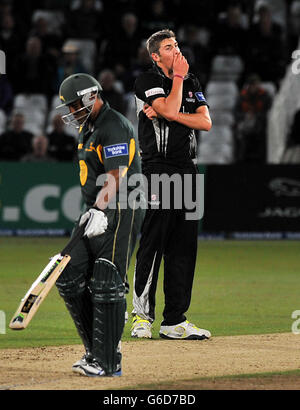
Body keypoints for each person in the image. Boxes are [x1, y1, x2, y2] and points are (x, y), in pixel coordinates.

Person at [55, 73, 144, 377]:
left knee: (107, 279)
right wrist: (90, 211)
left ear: (91, 96)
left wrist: (97, 208)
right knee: (68, 275)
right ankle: (96, 352)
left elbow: (117, 175)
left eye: (74, 105)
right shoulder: (88, 128)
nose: (71, 112)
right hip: (96, 210)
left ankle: (108, 361)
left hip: (121, 207)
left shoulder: (114, 125)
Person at [131, 29, 212, 340]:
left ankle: (174, 321)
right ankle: (141, 318)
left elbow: (206, 122)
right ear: (155, 56)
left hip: (188, 171)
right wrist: (177, 81)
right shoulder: (147, 80)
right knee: (153, 243)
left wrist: (171, 113)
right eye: (168, 47)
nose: (176, 49)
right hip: (159, 170)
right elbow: (167, 108)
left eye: (177, 44)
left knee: (183, 248)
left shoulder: (193, 82)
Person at [235, 74, 272, 163]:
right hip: (246, 126)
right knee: (240, 134)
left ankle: (261, 161)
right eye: (252, 85)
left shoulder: (265, 96)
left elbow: (269, 112)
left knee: (261, 136)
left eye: (256, 84)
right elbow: (236, 112)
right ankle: (241, 161)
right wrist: (245, 116)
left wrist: (256, 116)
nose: (254, 87)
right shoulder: (242, 96)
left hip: (260, 126)